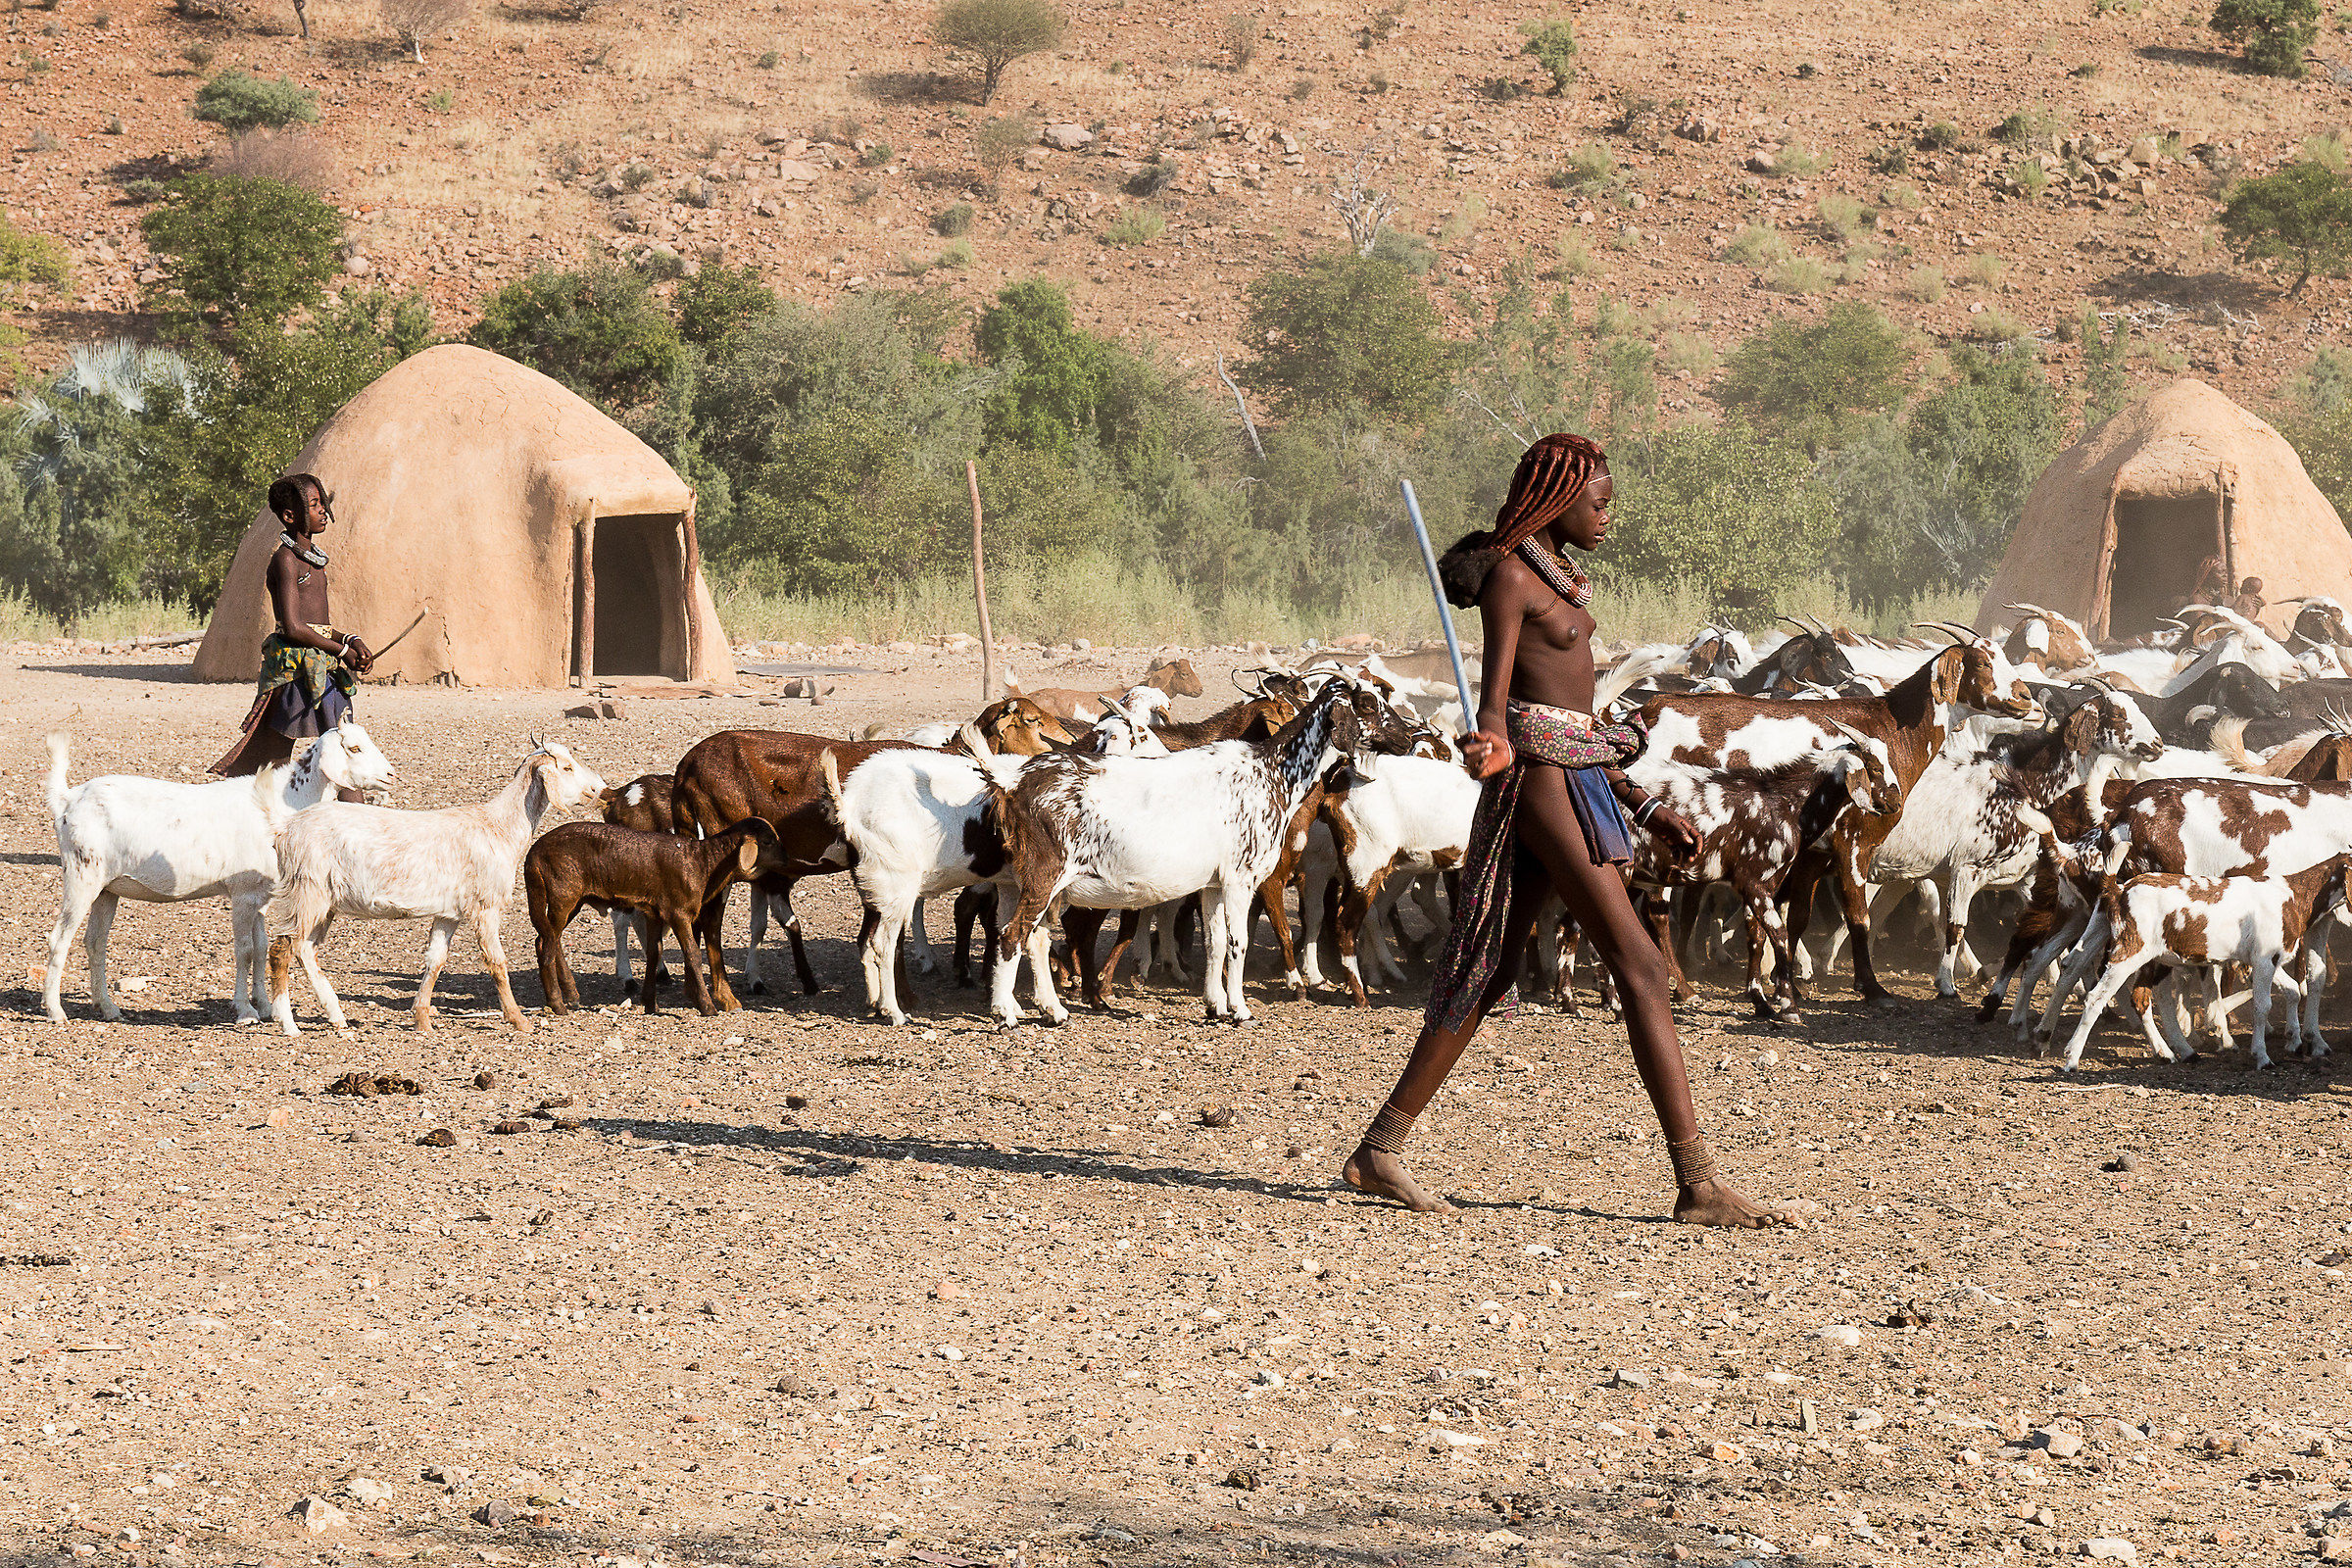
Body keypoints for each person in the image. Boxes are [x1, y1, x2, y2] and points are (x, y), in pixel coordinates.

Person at [1342, 433, 1788, 1228]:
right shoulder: (1515, 577)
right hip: (1541, 786)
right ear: (1559, 500)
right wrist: (1488, 740)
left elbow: (1573, 720)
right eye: (1599, 502)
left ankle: (1380, 1149)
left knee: (1495, 964)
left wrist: (1645, 806)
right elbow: (1498, 695)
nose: (1608, 515)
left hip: (1576, 778)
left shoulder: (1563, 588)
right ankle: (1698, 1184)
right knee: (1643, 969)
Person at [210, 473, 374, 798]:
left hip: (322, 667)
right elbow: (295, 627)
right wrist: (341, 651)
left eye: (323, 504)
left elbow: (319, 626)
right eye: (315, 505)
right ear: (290, 516)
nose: (323, 511)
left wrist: (351, 640)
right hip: (295, 670)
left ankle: (356, 821)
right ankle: (260, 814)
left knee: (343, 740)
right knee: (275, 753)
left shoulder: (315, 561)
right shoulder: (285, 560)